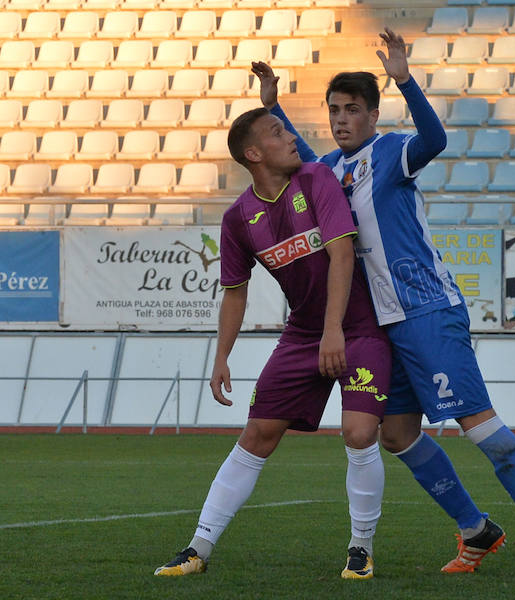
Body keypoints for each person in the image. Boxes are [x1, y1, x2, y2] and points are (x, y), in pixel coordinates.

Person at [250, 28, 515, 580]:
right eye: (334, 110)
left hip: (427, 311)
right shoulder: (329, 168)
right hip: (380, 325)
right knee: (396, 434)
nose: (342, 119)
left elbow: (436, 139)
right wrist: (274, 107)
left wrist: (404, 78)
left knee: (478, 426)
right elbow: (302, 161)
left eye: (352, 110)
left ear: (374, 115)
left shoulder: (393, 150)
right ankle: (477, 530)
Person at [153, 107, 392, 580]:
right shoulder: (238, 218)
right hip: (304, 333)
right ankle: (197, 549)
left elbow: (342, 255)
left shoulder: (317, 179)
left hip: (358, 328)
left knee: (360, 434)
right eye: (278, 132)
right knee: (256, 436)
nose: (292, 138)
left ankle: (360, 550)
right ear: (254, 153)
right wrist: (221, 356)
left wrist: (333, 331)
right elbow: (234, 293)